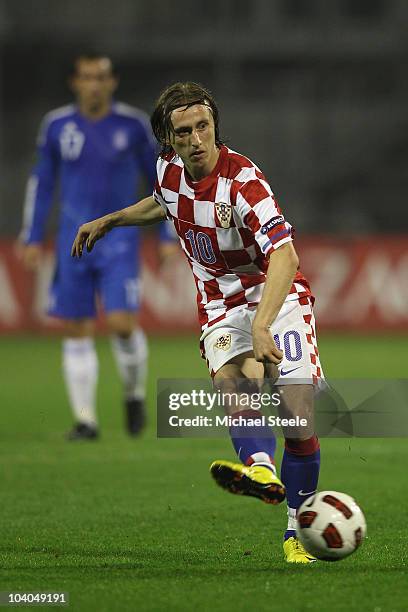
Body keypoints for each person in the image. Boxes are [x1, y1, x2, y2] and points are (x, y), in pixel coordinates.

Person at [71, 82, 324, 563]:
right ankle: (261, 471)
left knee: (297, 418)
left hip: (276, 295)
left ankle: (297, 530)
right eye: (183, 131)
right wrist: (111, 219)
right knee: (237, 378)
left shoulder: (244, 181)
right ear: (169, 138)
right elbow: (159, 202)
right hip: (220, 302)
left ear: (214, 127)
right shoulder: (168, 171)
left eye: (203, 126)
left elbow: (285, 256)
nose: (195, 139)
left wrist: (264, 324)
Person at [19, 54, 161, 440]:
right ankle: (86, 420)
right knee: (77, 327)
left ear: (112, 81)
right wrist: (32, 236)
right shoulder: (57, 125)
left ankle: (133, 394)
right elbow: (42, 182)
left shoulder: (132, 126)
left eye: (101, 77)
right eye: (87, 77)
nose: (94, 84)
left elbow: (161, 182)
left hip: (119, 240)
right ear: (75, 82)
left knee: (120, 324)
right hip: (72, 241)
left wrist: (166, 235)